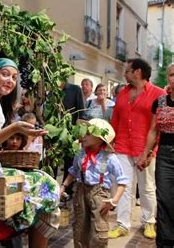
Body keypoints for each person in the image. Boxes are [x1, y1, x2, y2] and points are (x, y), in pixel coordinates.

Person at [0, 58, 60, 248]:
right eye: (5, 74)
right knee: (48, 184)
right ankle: (20, 225)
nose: (10, 81)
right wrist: (14, 129)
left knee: (44, 179)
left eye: (14, 77)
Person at [108, 58, 166, 239]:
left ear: (137, 72)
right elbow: (115, 120)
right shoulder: (123, 94)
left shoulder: (158, 94)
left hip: (145, 149)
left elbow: (159, 127)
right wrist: (110, 143)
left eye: (127, 71)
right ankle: (122, 224)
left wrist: (151, 152)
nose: (125, 74)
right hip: (123, 146)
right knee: (123, 186)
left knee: (147, 187)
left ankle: (149, 221)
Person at [61, 118, 128, 248]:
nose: (83, 136)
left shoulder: (109, 158)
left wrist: (114, 200)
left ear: (99, 139)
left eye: (88, 133)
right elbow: (73, 171)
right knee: (80, 227)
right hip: (80, 192)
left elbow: (122, 181)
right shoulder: (80, 154)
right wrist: (63, 187)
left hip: (99, 194)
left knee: (99, 229)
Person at [137, 63, 174, 247]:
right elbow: (153, 131)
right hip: (165, 155)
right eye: (171, 75)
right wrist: (145, 154)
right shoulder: (159, 102)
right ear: (167, 77)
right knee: (164, 198)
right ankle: (166, 242)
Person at [58, 81, 85, 195]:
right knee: (53, 162)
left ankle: (67, 191)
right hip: (54, 131)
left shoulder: (75, 89)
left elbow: (82, 113)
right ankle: (53, 189)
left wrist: (79, 132)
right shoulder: (51, 91)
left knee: (69, 161)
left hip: (70, 132)